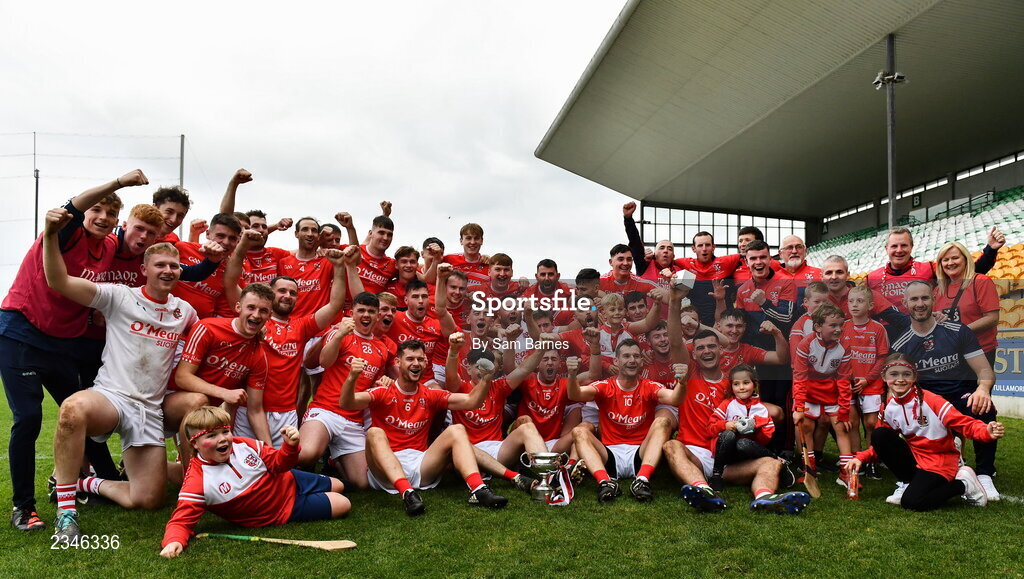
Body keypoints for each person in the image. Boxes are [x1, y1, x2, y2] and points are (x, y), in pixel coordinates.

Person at [42, 212, 198, 539]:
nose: (168, 270)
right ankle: (66, 513)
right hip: (112, 397)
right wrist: (51, 234)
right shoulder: (120, 296)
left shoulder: (185, 312)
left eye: (174, 266)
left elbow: (204, 348)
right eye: (160, 265)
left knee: (147, 499)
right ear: (144, 269)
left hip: (150, 410)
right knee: (73, 410)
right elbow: (59, 281)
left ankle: (88, 481)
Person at [0, 172, 142, 531]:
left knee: (83, 416)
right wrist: (119, 184)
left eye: (111, 214)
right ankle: (23, 508)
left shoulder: (110, 245)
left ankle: (104, 481)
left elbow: (147, 238)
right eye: (97, 210)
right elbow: (74, 206)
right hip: (22, 333)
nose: (104, 218)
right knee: (29, 419)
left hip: (62, 342)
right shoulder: (65, 230)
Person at [342, 340, 509, 515]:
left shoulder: (430, 394)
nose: (416, 364)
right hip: (385, 473)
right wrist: (352, 377)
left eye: (420, 359)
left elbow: (472, 401)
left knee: (456, 429)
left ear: (426, 363)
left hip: (420, 466)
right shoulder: (382, 391)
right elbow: (346, 402)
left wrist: (486, 378)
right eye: (410, 359)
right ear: (398, 362)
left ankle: (478, 489)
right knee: (374, 433)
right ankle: (407, 493)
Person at [159, 407, 350, 558]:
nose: (223, 439)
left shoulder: (243, 444)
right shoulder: (197, 481)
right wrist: (173, 541)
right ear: (194, 443)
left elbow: (278, 463)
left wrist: (290, 447)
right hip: (282, 509)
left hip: (289, 479)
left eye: (225, 431)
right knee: (343, 503)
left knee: (338, 485)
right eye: (211, 436)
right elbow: (181, 520)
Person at [846, 354, 1005, 511]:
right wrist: (860, 458)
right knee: (880, 435)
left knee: (912, 503)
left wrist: (986, 431)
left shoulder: (931, 400)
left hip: (940, 462)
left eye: (906, 374)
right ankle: (908, 482)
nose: (900, 379)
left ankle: (964, 485)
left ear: (914, 376)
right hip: (917, 459)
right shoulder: (888, 407)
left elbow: (963, 423)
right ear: (884, 376)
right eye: (894, 374)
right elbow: (882, 446)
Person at [893, 281, 1000, 500]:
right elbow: (897, 383)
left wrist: (982, 389)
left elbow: (985, 371)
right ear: (905, 304)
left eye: (925, 298)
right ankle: (909, 477)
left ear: (934, 300)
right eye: (914, 299)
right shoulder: (901, 343)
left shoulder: (957, 331)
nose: (920, 304)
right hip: (927, 402)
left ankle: (985, 474)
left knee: (983, 407)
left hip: (959, 395)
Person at [162, 283, 275, 464]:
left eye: (263, 311)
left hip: (204, 419)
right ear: (238, 307)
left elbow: (255, 410)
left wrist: (270, 451)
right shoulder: (207, 328)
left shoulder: (259, 356)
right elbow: (182, 377)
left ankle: (167, 468)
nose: (256, 315)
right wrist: (224, 393)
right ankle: (189, 478)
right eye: (251, 307)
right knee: (199, 401)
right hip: (168, 404)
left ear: (269, 315)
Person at [567, 339, 688, 503]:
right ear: (616, 361)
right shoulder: (605, 386)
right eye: (627, 356)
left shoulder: (649, 385)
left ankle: (642, 480)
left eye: (636, 356)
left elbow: (675, 399)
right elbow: (575, 395)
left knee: (663, 422)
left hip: (641, 453)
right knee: (579, 431)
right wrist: (572, 375)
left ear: (641, 361)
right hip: (609, 455)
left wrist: (682, 383)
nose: (632, 360)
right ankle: (605, 483)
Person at [298, 292, 394, 488]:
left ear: (377, 316)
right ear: (352, 313)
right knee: (306, 454)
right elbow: (324, 361)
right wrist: (341, 333)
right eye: (361, 310)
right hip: (326, 411)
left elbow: (372, 386)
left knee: (362, 482)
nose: (366, 315)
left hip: (353, 420)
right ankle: (305, 473)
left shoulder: (381, 348)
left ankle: (333, 461)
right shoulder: (338, 333)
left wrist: (383, 382)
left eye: (371, 311)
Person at [792, 303, 856, 488]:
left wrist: (844, 409)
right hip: (807, 391)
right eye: (833, 325)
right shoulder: (806, 344)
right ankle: (809, 470)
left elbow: (844, 380)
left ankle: (846, 473)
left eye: (840, 325)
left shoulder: (845, 346)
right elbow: (800, 378)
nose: (838, 329)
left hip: (831, 391)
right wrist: (799, 408)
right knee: (806, 427)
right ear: (818, 326)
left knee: (842, 427)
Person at [866, 226, 1002, 314]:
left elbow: (967, 273)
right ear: (886, 249)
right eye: (894, 246)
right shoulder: (872, 277)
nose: (899, 250)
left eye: (904, 245)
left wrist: (991, 250)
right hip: (887, 338)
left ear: (912, 247)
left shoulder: (928, 268)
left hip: (923, 333)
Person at [841, 285, 889, 479]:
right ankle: (856, 460)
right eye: (851, 301)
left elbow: (882, 358)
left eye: (860, 301)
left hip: (872, 383)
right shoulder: (842, 326)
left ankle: (871, 460)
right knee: (851, 422)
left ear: (870, 305)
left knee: (871, 423)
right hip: (848, 383)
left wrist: (867, 379)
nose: (854, 305)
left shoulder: (878, 329)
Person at [707, 365, 777, 491]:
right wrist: (725, 425)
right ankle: (716, 475)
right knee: (729, 435)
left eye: (746, 383)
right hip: (728, 453)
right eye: (736, 384)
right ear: (731, 387)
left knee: (743, 443)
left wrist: (757, 426)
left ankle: (777, 461)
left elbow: (765, 439)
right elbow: (710, 428)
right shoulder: (728, 404)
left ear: (754, 384)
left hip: (748, 453)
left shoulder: (760, 409)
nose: (742, 387)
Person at [933, 241, 1000, 364]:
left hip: (980, 351)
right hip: (950, 354)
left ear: (965, 259)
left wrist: (959, 332)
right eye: (945, 260)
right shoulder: (937, 290)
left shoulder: (981, 281)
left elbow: (992, 318)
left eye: (955, 258)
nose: (950, 263)